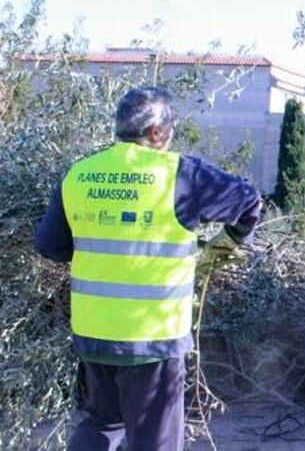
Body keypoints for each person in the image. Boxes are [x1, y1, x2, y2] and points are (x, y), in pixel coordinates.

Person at [34, 86, 262, 451]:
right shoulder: (181, 174)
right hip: (152, 340)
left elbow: (49, 245)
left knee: (103, 423)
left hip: (95, 333)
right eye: (171, 128)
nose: (171, 136)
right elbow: (249, 201)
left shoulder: (80, 173)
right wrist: (221, 249)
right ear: (156, 132)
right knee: (155, 442)